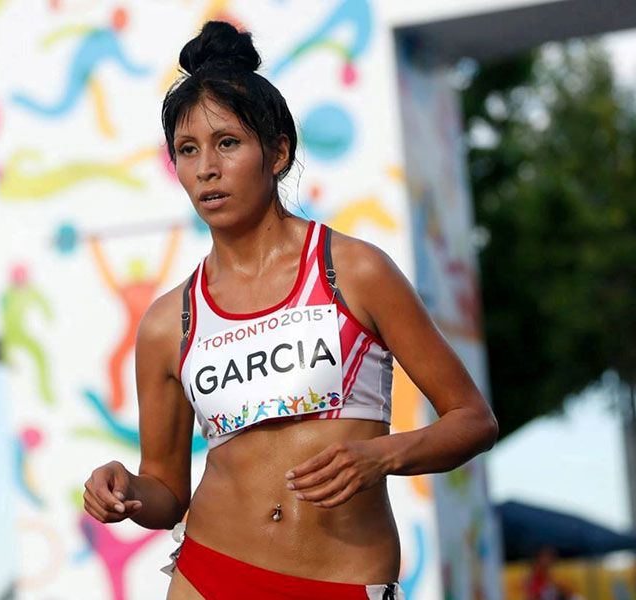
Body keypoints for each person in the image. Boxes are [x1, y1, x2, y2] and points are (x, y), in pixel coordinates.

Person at [83, 21, 498, 600]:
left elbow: (472, 420)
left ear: (277, 152)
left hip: (342, 581)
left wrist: (380, 456)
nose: (206, 168)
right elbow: (166, 491)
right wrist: (125, 489)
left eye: (227, 143)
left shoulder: (354, 271)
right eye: (187, 150)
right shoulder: (165, 321)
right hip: (210, 574)